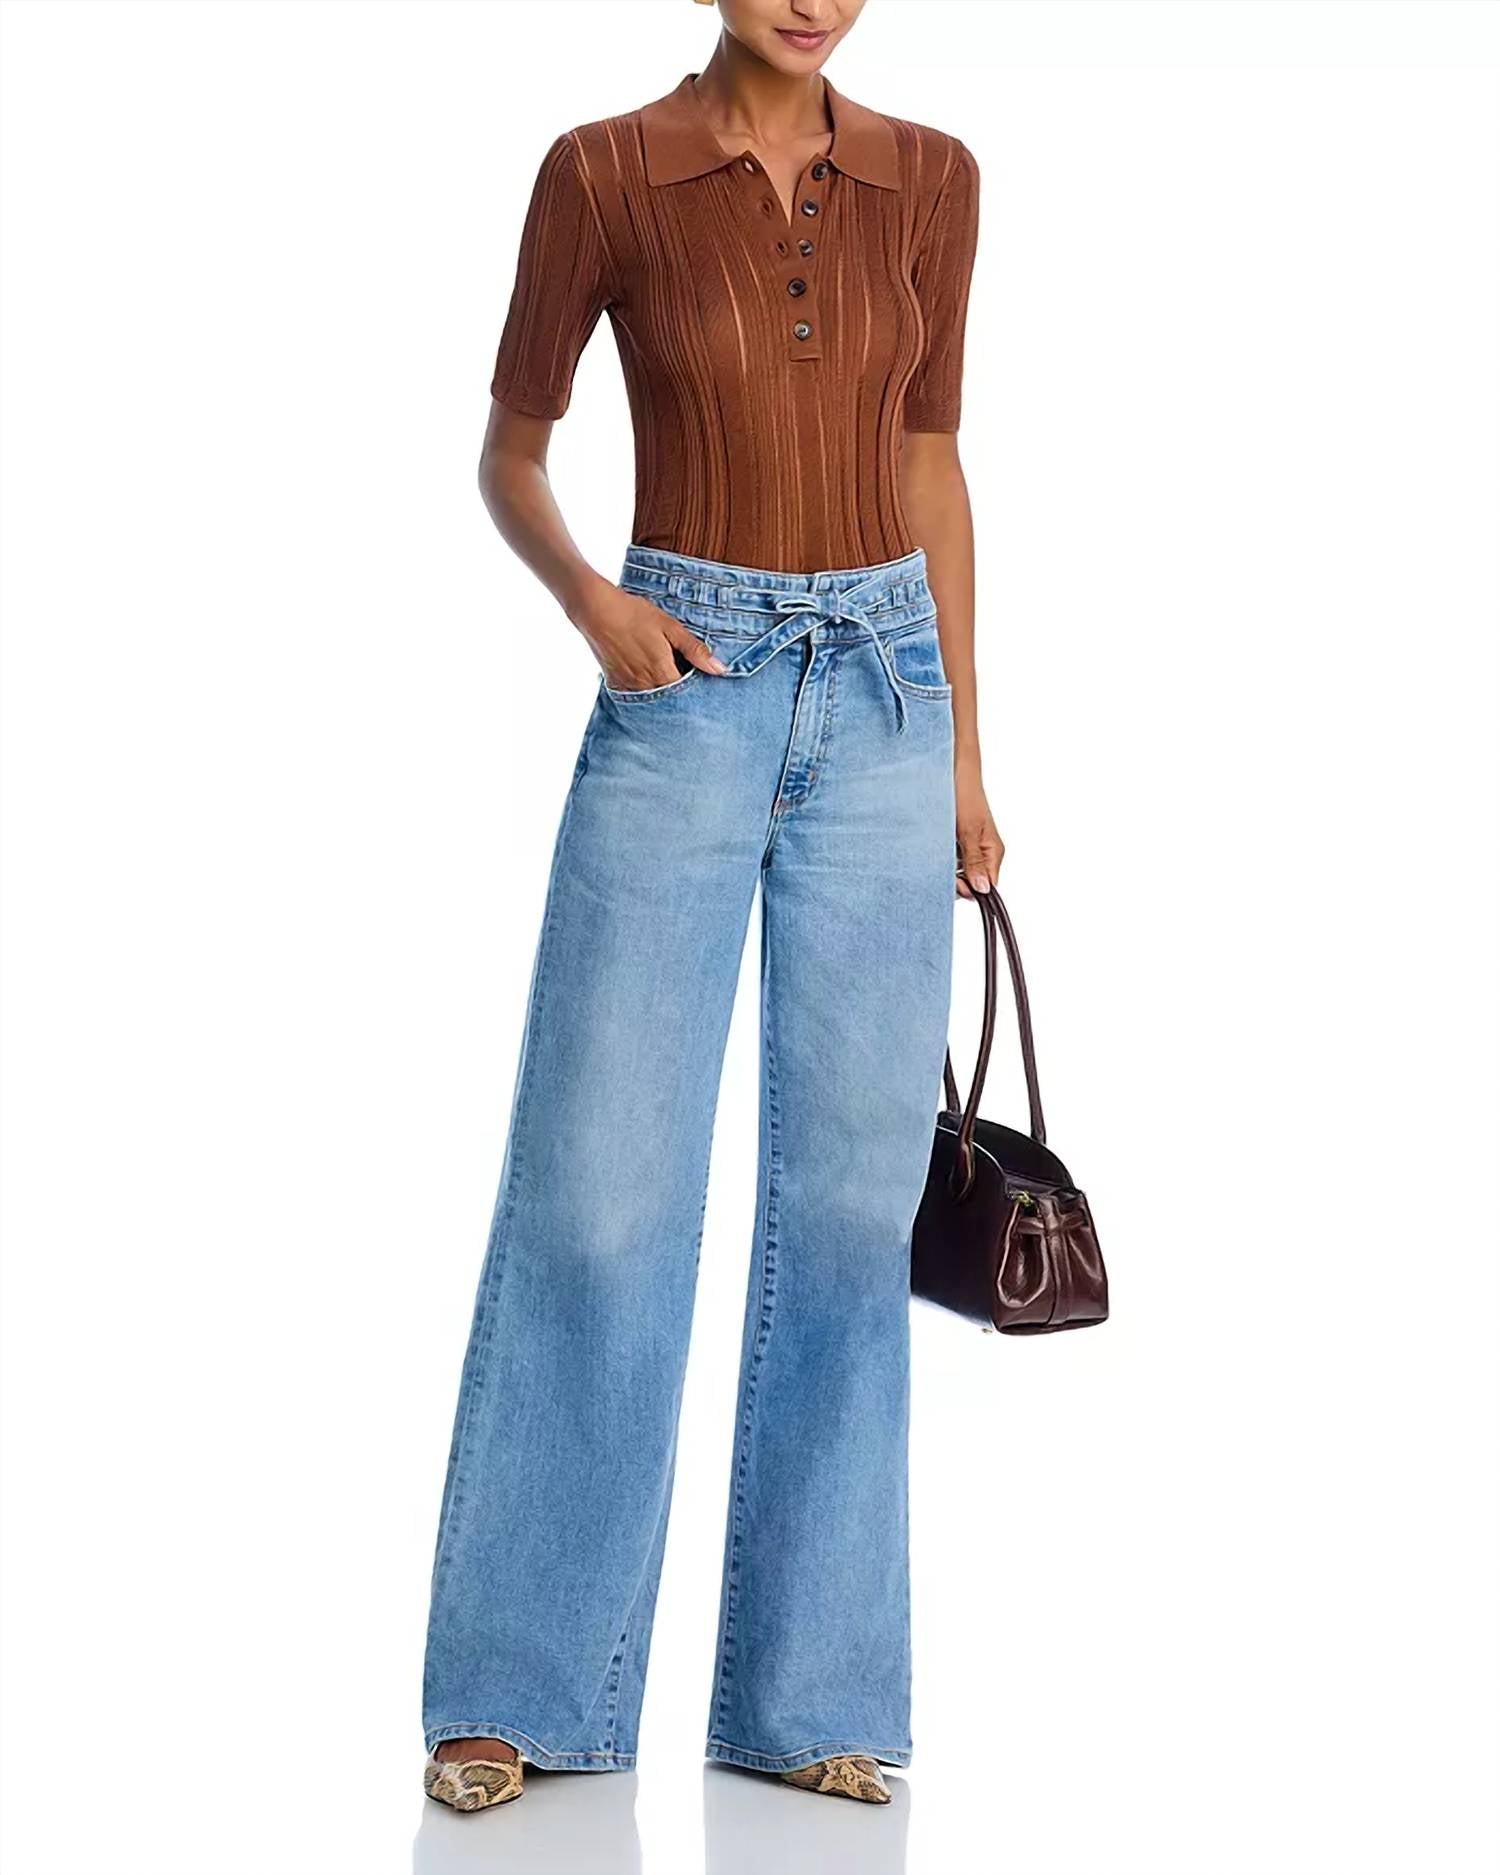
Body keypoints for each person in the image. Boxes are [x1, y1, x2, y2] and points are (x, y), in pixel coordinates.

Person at [422, 0, 1002, 1812]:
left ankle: (808, 1694)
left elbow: (930, 464)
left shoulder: (934, 180)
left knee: (848, 1212)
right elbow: (510, 453)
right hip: (682, 682)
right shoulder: (604, 172)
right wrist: (594, 606)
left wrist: (966, 758)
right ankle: (521, 1687)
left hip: (889, 701)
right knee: (598, 1194)